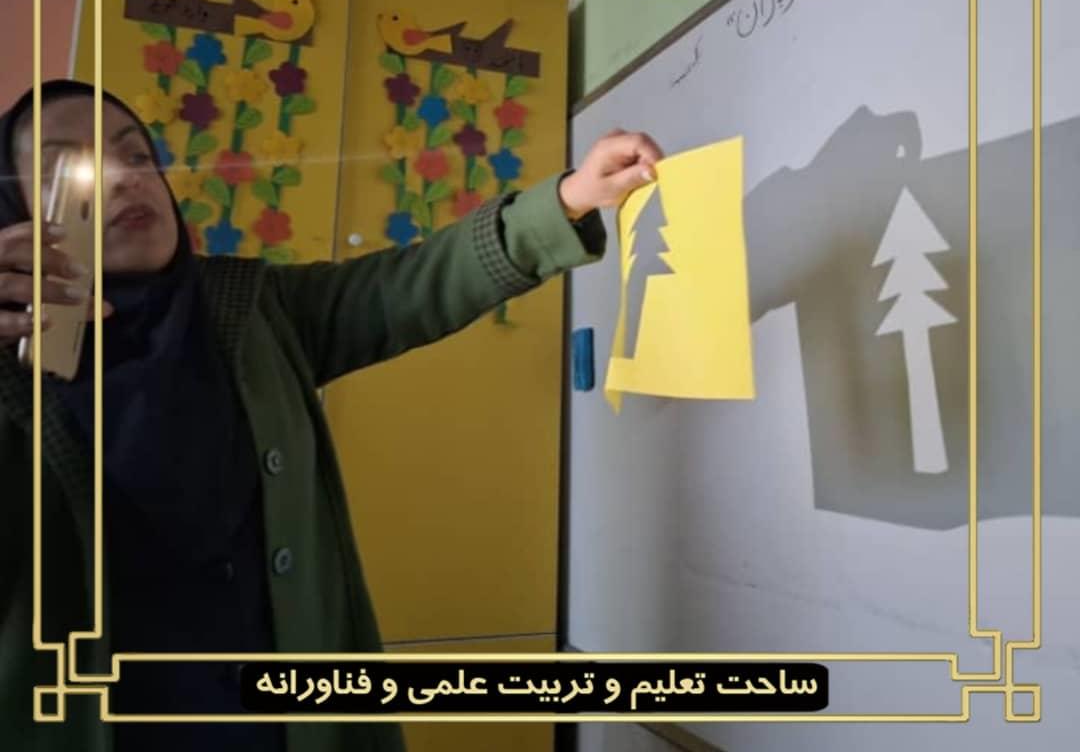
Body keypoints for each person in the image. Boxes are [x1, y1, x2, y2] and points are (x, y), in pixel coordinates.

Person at [0, 79, 662, 752]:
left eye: (136, 154)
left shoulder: (253, 307)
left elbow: (407, 288)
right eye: (67, 170)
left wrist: (570, 199)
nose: (122, 178)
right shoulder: (10, 373)